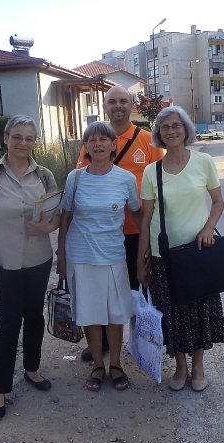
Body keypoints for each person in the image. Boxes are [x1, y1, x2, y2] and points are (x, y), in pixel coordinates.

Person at [0, 115, 60, 421]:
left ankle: (32, 369)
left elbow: (56, 216)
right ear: (5, 138)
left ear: (35, 143)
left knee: (34, 317)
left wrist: (46, 228)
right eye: (17, 137)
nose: (23, 143)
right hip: (3, 263)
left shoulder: (44, 176)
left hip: (38, 261)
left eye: (29, 138)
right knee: (9, 323)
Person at [137, 106, 224, 392]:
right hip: (164, 256)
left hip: (198, 252)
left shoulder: (204, 162)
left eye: (176, 125)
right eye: (165, 127)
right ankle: (180, 366)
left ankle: (198, 366)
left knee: (199, 310)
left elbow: (218, 202)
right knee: (171, 311)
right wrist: (141, 261)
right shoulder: (152, 171)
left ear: (186, 129)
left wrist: (208, 228)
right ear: (158, 134)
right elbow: (146, 218)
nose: (171, 131)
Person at [76, 85, 164, 362]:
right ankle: (101, 343)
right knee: (103, 290)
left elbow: (163, 183)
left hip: (138, 231)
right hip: (101, 234)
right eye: (112, 101)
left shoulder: (148, 141)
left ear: (131, 105)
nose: (118, 105)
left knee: (138, 288)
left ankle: (141, 342)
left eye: (123, 101)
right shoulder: (93, 141)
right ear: (104, 106)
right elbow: (81, 179)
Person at [57, 121, 141, 391]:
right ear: (86, 146)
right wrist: (61, 254)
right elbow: (65, 217)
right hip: (81, 257)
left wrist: (149, 246)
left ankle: (115, 364)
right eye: (92, 140)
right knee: (90, 314)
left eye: (103, 139)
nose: (98, 144)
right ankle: (97, 365)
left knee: (115, 315)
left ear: (113, 144)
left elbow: (138, 214)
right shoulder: (75, 178)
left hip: (114, 256)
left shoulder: (126, 179)